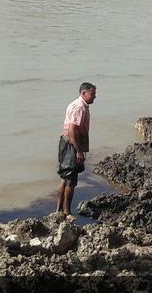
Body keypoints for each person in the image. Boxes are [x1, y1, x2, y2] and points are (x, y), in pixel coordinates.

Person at [56, 82, 96, 220]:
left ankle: (59, 210)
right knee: (71, 180)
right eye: (92, 94)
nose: (94, 97)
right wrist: (78, 151)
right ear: (83, 93)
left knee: (65, 178)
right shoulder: (79, 107)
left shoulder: (80, 105)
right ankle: (66, 213)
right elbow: (72, 129)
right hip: (71, 145)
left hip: (68, 143)